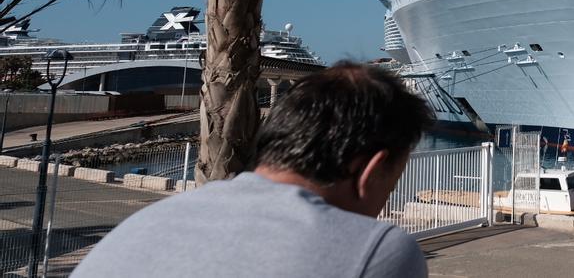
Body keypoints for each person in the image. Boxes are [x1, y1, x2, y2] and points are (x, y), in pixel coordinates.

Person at [74, 62, 435, 277]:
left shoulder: (147, 222)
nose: (382, 207)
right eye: (390, 189)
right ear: (368, 171)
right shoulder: (378, 250)